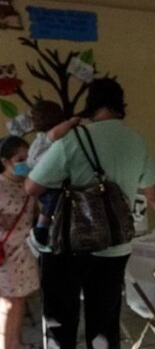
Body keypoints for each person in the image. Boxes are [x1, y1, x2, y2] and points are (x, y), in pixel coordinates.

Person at [24, 78, 155, 349]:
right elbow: (154, 193)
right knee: (104, 325)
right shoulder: (137, 141)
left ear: (91, 106)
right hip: (113, 246)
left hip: (67, 246)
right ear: (120, 106)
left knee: (60, 321)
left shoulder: (74, 139)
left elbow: (32, 186)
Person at [26, 100, 80, 252]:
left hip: (43, 178)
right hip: (47, 179)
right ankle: (40, 231)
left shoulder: (41, 138)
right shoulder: (49, 135)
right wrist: (71, 122)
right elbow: (56, 133)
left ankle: (43, 230)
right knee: (52, 203)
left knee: (52, 205)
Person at [0, 136, 37, 349]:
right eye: (19, 159)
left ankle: (16, 343)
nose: (25, 163)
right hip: (5, 255)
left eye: (28, 157)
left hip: (24, 253)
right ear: (5, 161)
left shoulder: (29, 184)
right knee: (7, 303)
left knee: (20, 299)